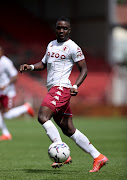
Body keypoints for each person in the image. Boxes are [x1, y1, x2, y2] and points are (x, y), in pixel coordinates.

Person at [19, 16, 108, 172]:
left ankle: (62, 153)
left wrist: (75, 85)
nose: (61, 31)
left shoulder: (73, 47)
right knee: (68, 129)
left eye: (65, 28)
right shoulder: (51, 45)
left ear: (69, 30)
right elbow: (44, 64)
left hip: (61, 88)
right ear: (56, 29)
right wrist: (31, 67)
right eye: (59, 28)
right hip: (54, 89)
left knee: (42, 117)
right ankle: (98, 157)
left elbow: (84, 70)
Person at [0, 46, 35, 141]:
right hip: (0, 92)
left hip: (7, 92)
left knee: (7, 115)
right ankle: (6, 134)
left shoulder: (6, 62)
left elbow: (15, 76)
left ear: (1, 52)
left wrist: (5, 84)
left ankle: (25, 108)